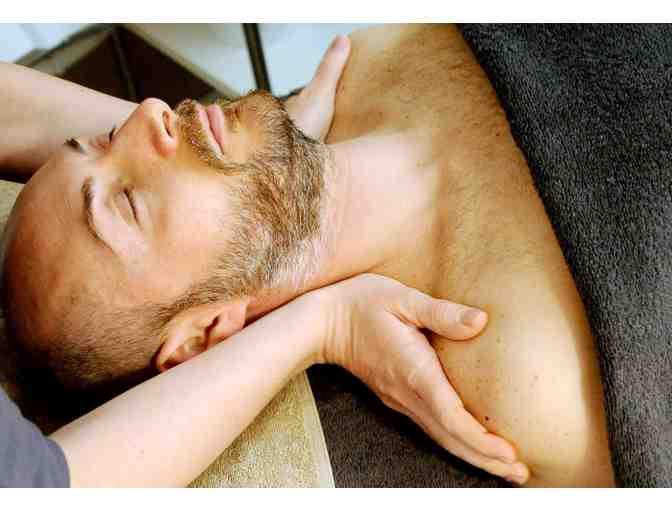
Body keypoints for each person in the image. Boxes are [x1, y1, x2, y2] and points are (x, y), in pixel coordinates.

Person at [1, 24, 614, 487]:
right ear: (203, 336)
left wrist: (256, 164)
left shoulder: (377, 54)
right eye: (128, 203)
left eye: (105, 139)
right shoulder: (534, 384)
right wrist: (324, 321)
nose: (148, 114)